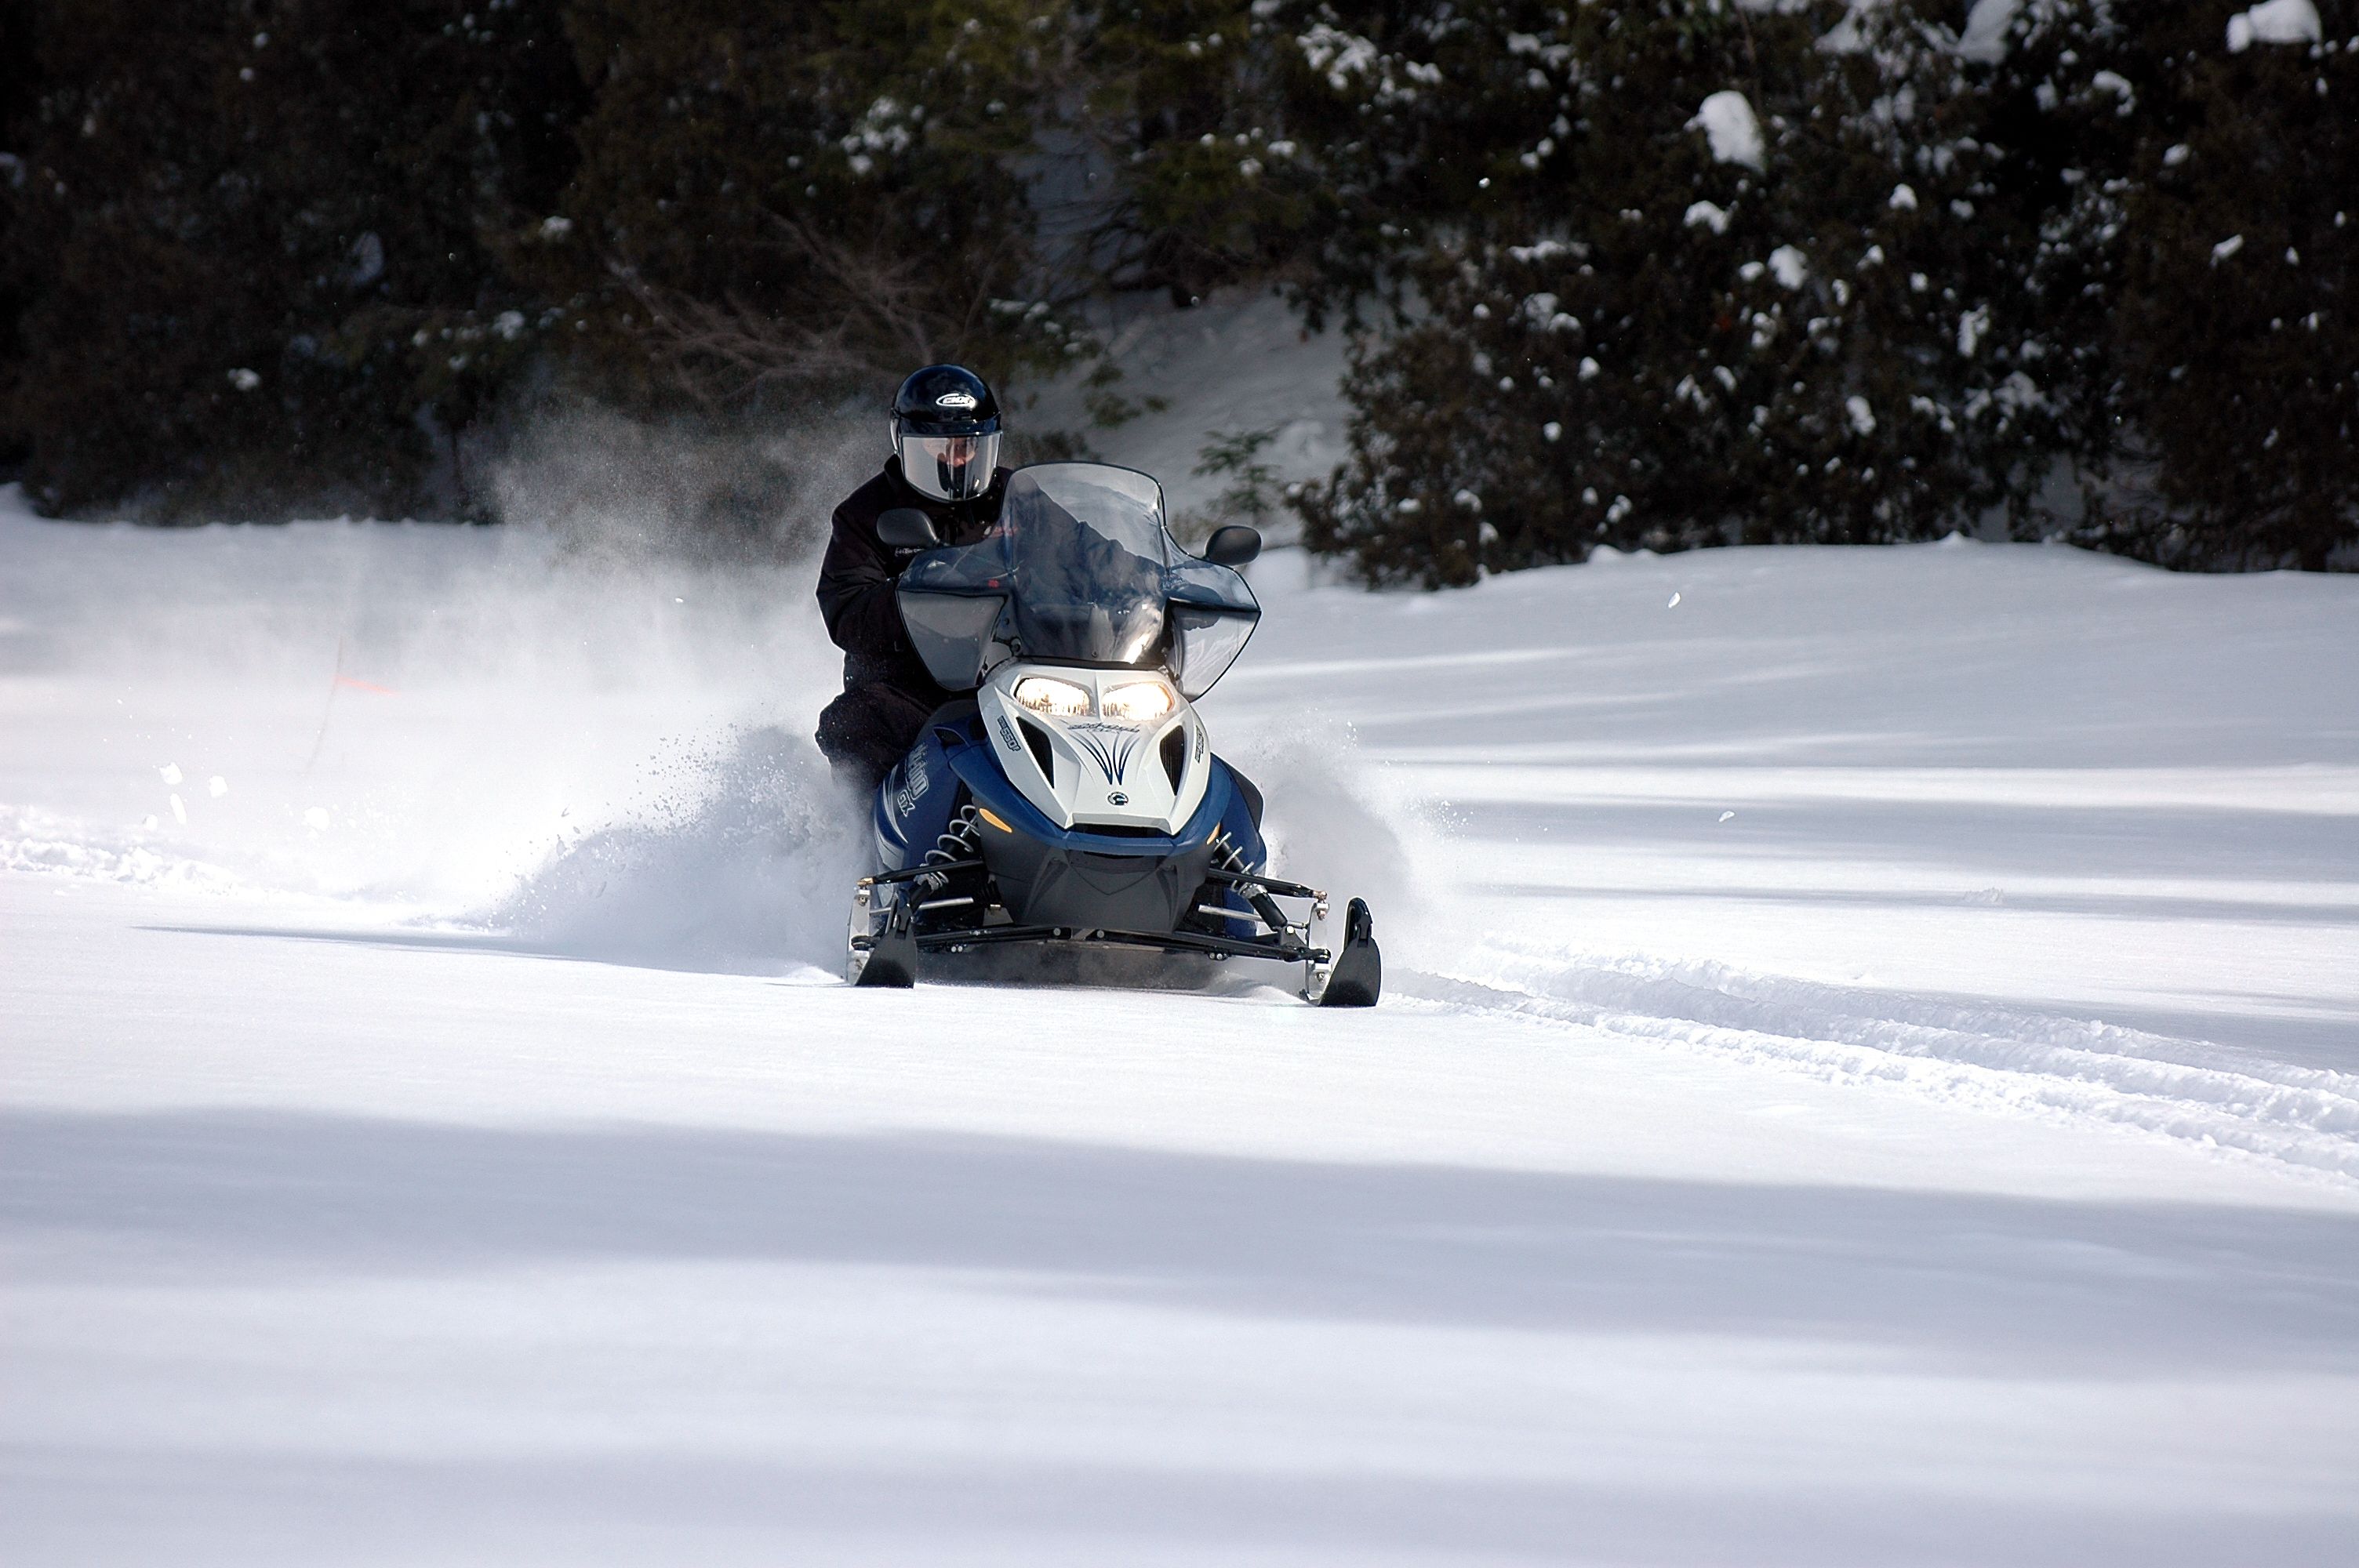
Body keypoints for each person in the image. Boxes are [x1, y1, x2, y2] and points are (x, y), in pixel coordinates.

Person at [814, 365, 1012, 789]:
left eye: (970, 446)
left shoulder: (1019, 499)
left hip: (1016, 673)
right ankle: (862, 847)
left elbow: (1090, 552)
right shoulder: (866, 514)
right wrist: (919, 592)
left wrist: (1155, 575)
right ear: (907, 445)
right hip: (914, 683)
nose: (959, 459)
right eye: (942, 447)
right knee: (855, 722)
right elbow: (845, 609)